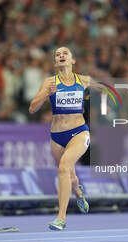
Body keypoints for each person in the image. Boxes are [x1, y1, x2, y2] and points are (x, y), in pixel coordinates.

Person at [29, 47, 92, 230]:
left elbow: (106, 89)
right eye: (57, 54)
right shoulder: (49, 82)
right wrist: (45, 93)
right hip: (57, 137)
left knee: (64, 167)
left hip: (80, 132)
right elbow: (32, 108)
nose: (61, 55)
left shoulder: (84, 80)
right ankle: (79, 195)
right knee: (69, 175)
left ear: (72, 60)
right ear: (55, 62)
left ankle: (61, 218)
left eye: (65, 53)